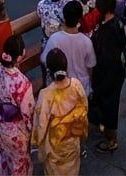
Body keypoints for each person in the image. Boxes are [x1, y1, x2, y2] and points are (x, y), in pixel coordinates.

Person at [33, 47, 89, 175]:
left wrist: (40, 146)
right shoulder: (76, 85)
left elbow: (41, 125)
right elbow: (84, 109)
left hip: (54, 146)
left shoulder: (46, 95)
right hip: (72, 140)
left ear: (48, 71)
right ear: (66, 66)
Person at [0, 35, 35, 176]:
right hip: (16, 130)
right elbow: (28, 112)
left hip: (0, 124)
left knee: (4, 156)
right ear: (20, 56)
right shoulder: (22, 82)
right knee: (19, 164)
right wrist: (31, 130)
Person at [89, 0, 126, 155]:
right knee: (107, 104)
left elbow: (106, 58)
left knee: (109, 105)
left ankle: (111, 140)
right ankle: (104, 126)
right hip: (115, 72)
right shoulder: (116, 22)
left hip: (108, 75)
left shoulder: (107, 32)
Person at [43, 0, 95, 96]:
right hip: (82, 90)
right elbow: (90, 67)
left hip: (61, 92)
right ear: (79, 19)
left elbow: (45, 60)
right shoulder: (86, 41)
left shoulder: (54, 39)